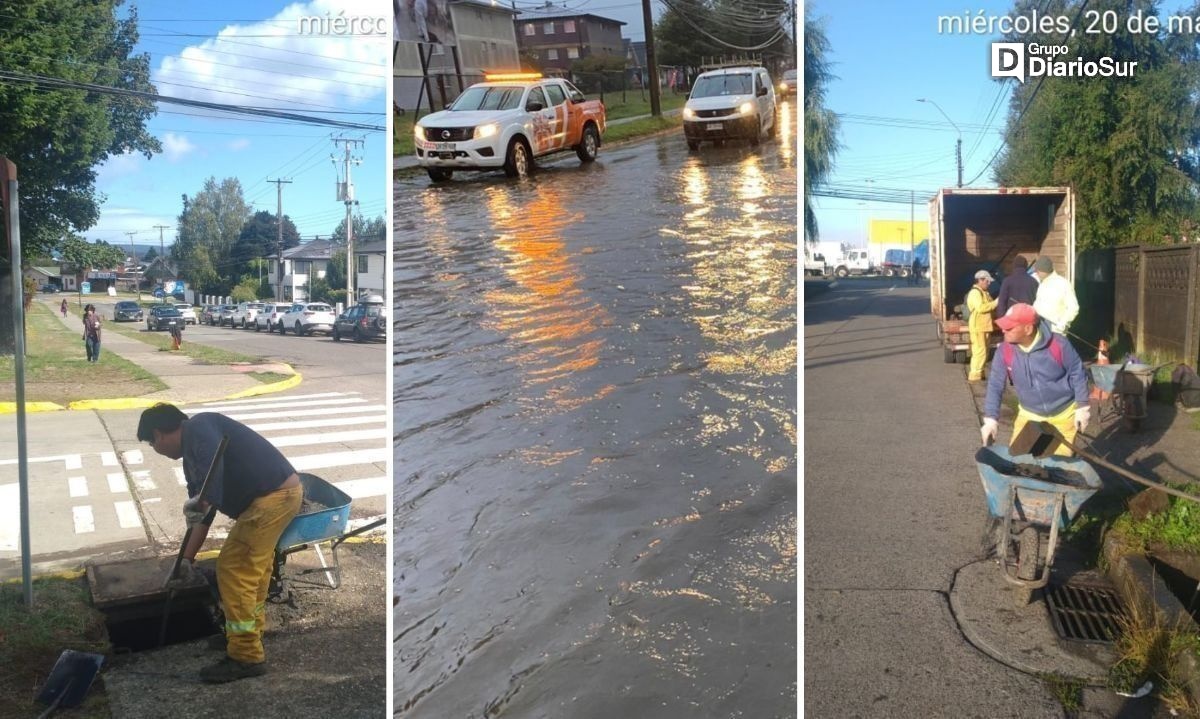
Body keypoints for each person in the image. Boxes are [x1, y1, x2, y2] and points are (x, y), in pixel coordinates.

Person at [137, 403, 302, 683]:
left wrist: (201, 501)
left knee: (234, 569)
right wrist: (186, 561)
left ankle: (246, 655)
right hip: (274, 498)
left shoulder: (200, 428)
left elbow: (208, 495)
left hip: (273, 498)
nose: (157, 450)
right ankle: (246, 635)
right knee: (253, 571)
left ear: (159, 434)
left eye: (152, 443)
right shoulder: (193, 458)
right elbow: (203, 515)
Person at [980, 303, 1090, 456]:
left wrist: (1082, 407)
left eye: (1010, 327)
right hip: (1029, 415)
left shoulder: (1058, 345)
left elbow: (1077, 372)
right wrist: (991, 419)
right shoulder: (1004, 351)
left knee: (1058, 467)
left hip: (1064, 414)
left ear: (1028, 329)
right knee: (1018, 462)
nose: (1004, 330)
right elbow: (995, 385)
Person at [1032, 255, 1079, 334]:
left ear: (1044, 270)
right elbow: (1038, 303)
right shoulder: (1042, 284)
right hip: (1040, 329)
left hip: (1055, 331)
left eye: (1038, 271)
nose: (1036, 273)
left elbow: (1073, 308)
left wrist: (1063, 323)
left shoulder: (1063, 284)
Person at [966, 270, 998, 382]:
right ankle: (975, 376)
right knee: (980, 351)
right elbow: (981, 308)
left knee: (984, 352)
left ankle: (980, 374)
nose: (989, 283)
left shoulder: (985, 292)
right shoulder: (975, 293)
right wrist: (996, 303)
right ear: (980, 280)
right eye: (987, 281)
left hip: (984, 326)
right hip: (978, 327)